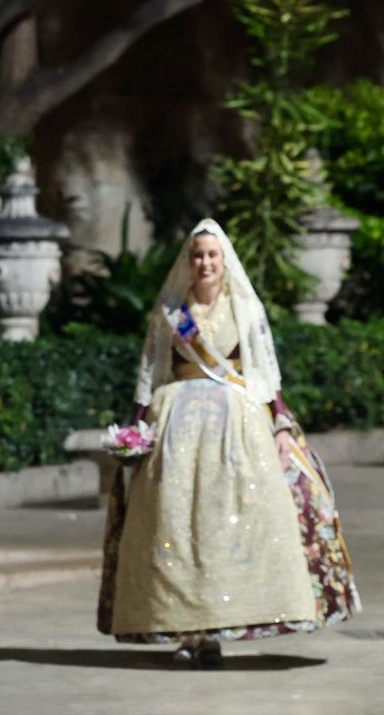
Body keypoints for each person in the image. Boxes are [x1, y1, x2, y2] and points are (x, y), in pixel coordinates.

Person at [98, 219, 358, 666]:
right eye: (198, 254)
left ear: (224, 260)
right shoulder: (170, 313)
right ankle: (184, 629)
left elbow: (266, 373)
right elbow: (150, 372)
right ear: (189, 260)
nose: (205, 262)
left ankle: (224, 625)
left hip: (237, 423)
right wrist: (137, 430)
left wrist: (280, 424)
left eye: (212, 255)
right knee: (175, 524)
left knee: (232, 521)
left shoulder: (245, 310)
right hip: (177, 424)